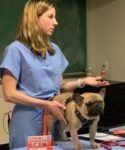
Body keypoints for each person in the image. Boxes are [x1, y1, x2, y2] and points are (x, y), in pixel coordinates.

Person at [0, 0, 109, 149]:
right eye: (50, 17)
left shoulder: (54, 50)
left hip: (57, 117)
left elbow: (59, 86)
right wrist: (46, 104)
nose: (56, 22)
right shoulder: (15, 50)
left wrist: (83, 81)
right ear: (34, 18)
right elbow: (9, 94)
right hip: (29, 121)